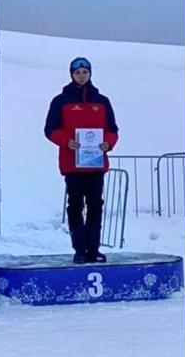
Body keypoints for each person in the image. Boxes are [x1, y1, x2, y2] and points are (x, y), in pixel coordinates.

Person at [44, 57, 120, 265]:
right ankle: (79, 249)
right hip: (73, 165)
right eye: (78, 72)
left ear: (90, 74)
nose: (82, 75)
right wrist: (66, 141)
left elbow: (113, 130)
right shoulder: (61, 101)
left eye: (85, 72)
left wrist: (108, 143)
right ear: (71, 74)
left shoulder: (102, 101)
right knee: (75, 205)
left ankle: (94, 249)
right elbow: (50, 129)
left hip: (96, 164)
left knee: (96, 205)